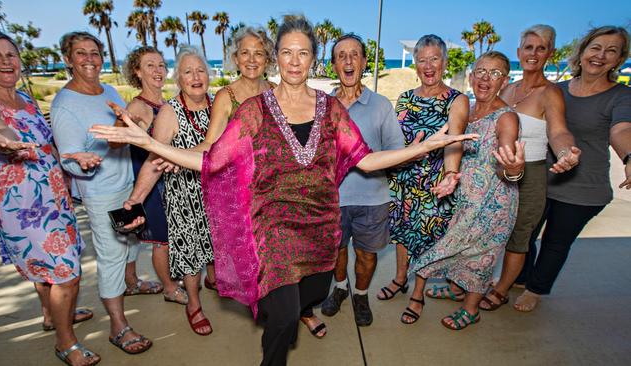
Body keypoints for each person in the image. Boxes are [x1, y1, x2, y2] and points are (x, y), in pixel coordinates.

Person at [90, 14, 477, 365]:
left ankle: (291, 314)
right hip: (271, 227)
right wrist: (151, 144)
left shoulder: (330, 108)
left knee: (313, 291)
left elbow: (364, 159)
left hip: (321, 227)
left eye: (303, 52)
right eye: (287, 52)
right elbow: (213, 158)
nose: (295, 60)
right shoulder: (254, 108)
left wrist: (420, 148)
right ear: (278, 57)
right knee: (286, 317)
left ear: (313, 58)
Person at [0, 29, 100, 366]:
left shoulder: (26, 99)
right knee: (67, 272)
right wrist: (4, 140)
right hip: (21, 206)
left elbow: (48, 144)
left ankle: (52, 314)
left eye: (11, 55)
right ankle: (66, 343)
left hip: (54, 196)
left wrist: (75, 157)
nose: (6, 61)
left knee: (46, 266)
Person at [514, 26, 631, 312]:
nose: (601, 56)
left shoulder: (621, 96)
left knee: (556, 242)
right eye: (596, 47)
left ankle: (535, 289)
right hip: (543, 180)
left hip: (584, 187)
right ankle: (520, 277)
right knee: (523, 234)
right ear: (582, 52)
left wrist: (629, 157)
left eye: (611, 51)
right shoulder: (558, 90)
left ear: (618, 60)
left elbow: (622, 130)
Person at [50, 31, 152, 354]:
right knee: (110, 256)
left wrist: (130, 123)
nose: (90, 59)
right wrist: (84, 162)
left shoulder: (107, 90)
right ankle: (118, 326)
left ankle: (132, 283)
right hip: (100, 191)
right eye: (81, 54)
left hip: (128, 182)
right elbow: (70, 159)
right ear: (68, 59)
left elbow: (120, 134)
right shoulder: (65, 105)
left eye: (94, 53)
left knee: (132, 240)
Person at [405, 51, 522, 330]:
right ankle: (457, 289)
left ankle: (471, 309)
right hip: (461, 196)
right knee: (456, 248)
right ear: (471, 76)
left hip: (493, 203)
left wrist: (514, 169)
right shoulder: (464, 108)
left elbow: (508, 162)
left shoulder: (506, 118)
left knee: (481, 256)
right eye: (481, 71)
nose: (485, 78)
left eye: (494, 74)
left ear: (504, 81)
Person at [480, 25, 581, 311]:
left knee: (519, 236)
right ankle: (492, 280)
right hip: (497, 171)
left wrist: (566, 152)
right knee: (494, 231)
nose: (533, 53)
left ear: (549, 53)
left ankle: (501, 290)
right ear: (518, 52)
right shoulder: (507, 88)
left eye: (540, 47)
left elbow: (559, 132)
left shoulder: (550, 93)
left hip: (531, 174)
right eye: (528, 47)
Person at [121, 45, 214, 335]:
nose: (195, 76)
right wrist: (135, 199)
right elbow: (153, 161)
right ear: (179, 78)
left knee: (214, 248)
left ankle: (215, 282)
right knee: (190, 256)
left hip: (216, 196)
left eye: (200, 70)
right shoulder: (170, 113)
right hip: (184, 198)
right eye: (187, 71)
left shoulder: (217, 105)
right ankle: (194, 304)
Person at [319, 33, 405, 327]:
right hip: (333, 199)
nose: (348, 60)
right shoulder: (323, 106)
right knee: (336, 251)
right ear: (333, 64)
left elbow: (397, 152)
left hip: (373, 199)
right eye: (341, 55)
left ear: (364, 62)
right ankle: (341, 288)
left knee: (367, 256)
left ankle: (361, 294)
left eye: (354, 54)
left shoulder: (381, 105)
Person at [377, 34, 469, 306]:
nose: (428, 66)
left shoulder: (457, 100)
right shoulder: (405, 98)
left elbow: (454, 140)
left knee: (426, 238)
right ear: (416, 65)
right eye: (422, 60)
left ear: (445, 62)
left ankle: (418, 294)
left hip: (435, 183)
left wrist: (451, 176)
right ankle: (400, 278)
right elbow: (396, 140)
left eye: (434, 59)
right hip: (403, 180)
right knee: (403, 234)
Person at [117, 46, 187, 304]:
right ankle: (169, 287)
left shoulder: (165, 103)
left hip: (170, 178)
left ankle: (174, 278)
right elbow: (135, 139)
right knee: (163, 238)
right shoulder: (138, 106)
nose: (158, 71)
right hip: (153, 180)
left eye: (160, 65)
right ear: (137, 72)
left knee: (172, 233)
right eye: (150, 65)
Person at [203, 26, 275, 149]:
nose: (251, 60)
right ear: (236, 58)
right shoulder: (225, 96)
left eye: (258, 53)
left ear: (267, 60)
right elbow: (209, 145)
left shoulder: (276, 91)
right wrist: (174, 157)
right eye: (245, 53)